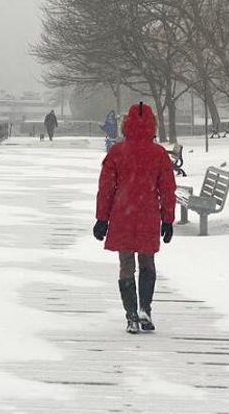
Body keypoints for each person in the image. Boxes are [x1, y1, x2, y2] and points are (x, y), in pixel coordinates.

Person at [93, 102, 176, 334]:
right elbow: (167, 189)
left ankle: (131, 314)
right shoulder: (158, 154)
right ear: (152, 125)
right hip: (148, 213)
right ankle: (144, 309)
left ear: (126, 124)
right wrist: (167, 219)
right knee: (147, 262)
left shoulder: (117, 152)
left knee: (126, 264)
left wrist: (102, 219)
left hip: (123, 214)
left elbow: (106, 189)